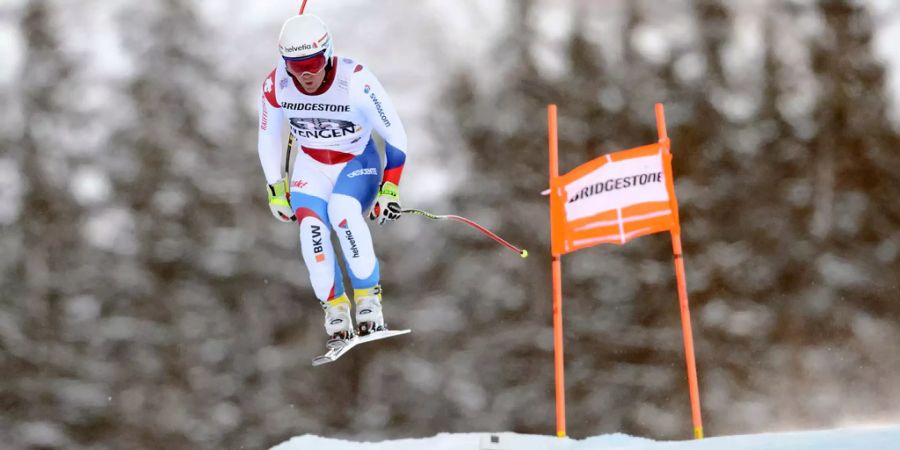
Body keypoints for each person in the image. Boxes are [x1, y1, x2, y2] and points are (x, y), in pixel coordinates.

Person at [257, 14, 408, 348]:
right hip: (311, 165)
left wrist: (390, 187)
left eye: (312, 63)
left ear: (327, 54)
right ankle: (335, 309)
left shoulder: (355, 81)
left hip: (357, 161)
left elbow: (395, 134)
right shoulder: (275, 85)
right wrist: (275, 188)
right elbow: (268, 136)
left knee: (342, 212)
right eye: (296, 67)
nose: (306, 74)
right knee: (311, 228)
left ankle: (369, 301)